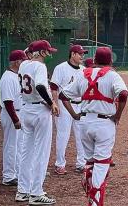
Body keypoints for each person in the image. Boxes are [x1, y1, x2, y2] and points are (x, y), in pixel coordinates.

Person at [59, 46, 128, 206]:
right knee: (102, 163)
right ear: (110, 60)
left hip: (84, 122)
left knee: (90, 160)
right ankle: (95, 201)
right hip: (104, 123)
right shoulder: (112, 75)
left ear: (95, 60)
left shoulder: (83, 74)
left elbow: (63, 95)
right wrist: (117, 115)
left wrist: (74, 114)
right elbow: (123, 94)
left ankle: (89, 183)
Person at [15, 40, 59, 205]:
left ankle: (23, 191)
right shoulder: (39, 66)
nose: (49, 54)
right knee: (41, 152)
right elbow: (40, 86)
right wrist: (51, 103)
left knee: (26, 151)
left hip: (26, 109)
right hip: (40, 111)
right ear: (41, 53)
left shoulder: (24, 65)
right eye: (47, 51)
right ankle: (36, 193)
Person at [50, 45, 87, 175]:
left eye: (83, 54)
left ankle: (81, 163)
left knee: (81, 135)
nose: (82, 56)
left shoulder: (84, 70)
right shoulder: (61, 68)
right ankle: (60, 164)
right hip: (63, 104)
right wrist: (55, 103)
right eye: (80, 54)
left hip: (80, 104)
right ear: (72, 54)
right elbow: (54, 87)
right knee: (63, 135)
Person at [0, 50, 27, 186]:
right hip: (11, 113)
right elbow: (8, 102)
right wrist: (15, 119)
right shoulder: (8, 78)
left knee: (19, 145)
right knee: (11, 145)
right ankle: (8, 176)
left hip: (18, 112)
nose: (25, 62)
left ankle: (16, 172)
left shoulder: (17, 76)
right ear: (17, 62)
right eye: (23, 60)